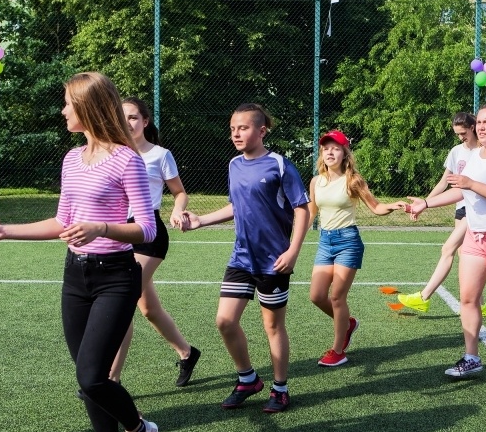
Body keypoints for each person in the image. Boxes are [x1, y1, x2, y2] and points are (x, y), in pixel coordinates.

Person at [0, 73, 159, 432]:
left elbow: (147, 228)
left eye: (68, 104)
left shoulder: (127, 159)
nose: (62, 111)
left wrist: (101, 227)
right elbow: (61, 222)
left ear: (87, 107)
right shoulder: (72, 159)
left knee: (93, 376)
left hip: (116, 276)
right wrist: (4, 231)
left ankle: (139, 431)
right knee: (85, 378)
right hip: (76, 276)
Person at [181, 103, 309, 413]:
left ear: (261, 130)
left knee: (273, 326)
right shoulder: (234, 164)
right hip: (241, 258)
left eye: (243, 127)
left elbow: (302, 208)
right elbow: (236, 206)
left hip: (273, 261)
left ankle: (280, 388)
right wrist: (201, 220)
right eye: (233, 128)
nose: (236, 133)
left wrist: (293, 251)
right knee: (225, 321)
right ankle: (248, 379)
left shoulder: (279, 165)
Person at [405, 103, 486, 379]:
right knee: (468, 298)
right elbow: (459, 191)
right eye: (479, 121)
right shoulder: (473, 156)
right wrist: (426, 203)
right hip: (475, 237)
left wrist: (471, 184)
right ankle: (471, 357)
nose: (480, 126)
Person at [106, 97, 200, 387]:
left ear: (145, 121)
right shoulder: (114, 154)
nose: (128, 122)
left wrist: (176, 209)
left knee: (121, 302)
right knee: (148, 308)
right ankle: (187, 353)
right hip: (118, 233)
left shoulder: (160, 155)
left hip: (149, 234)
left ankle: (111, 379)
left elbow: (179, 192)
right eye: (122, 117)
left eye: (133, 117)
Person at [309, 130, 404, 367]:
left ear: (344, 153)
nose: (330, 152)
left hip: (348, 242)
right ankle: (348, 324)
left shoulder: (353, 180)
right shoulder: (315, 181)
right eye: (326, 148)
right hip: (325, 241)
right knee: (317, 296)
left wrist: (394, 205)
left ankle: (338, 350)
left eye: (336, 148)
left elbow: (376, 207)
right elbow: (310, 213)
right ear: (322, 153)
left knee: (337, 297)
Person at [398, 112, 485, 314]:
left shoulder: (484, 152)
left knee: (448, 249)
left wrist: (426, 204)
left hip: (476, 208)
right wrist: (425, 202)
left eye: (463, 133)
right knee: (465, 254)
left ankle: (424, 297)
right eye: (456, 134)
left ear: (473, 128)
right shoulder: (456, 151)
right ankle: (481, 304)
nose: (460, 137)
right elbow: (445, 181)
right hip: (461, 207)